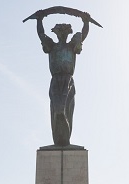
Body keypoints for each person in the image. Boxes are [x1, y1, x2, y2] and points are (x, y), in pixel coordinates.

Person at [33, 11, 91, 146]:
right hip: (55, 80)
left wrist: (86, 22)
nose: (62, 34)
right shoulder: (52, 46)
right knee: (56, 109)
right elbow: (41, 35)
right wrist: (39, 20)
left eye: (64, 32)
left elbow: (83, 35)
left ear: (67, 33)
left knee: (65, 109)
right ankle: (58, 139)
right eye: (60, 32)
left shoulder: (72, 46)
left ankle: (65, 139)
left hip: (68, 81)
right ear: (57, 33)